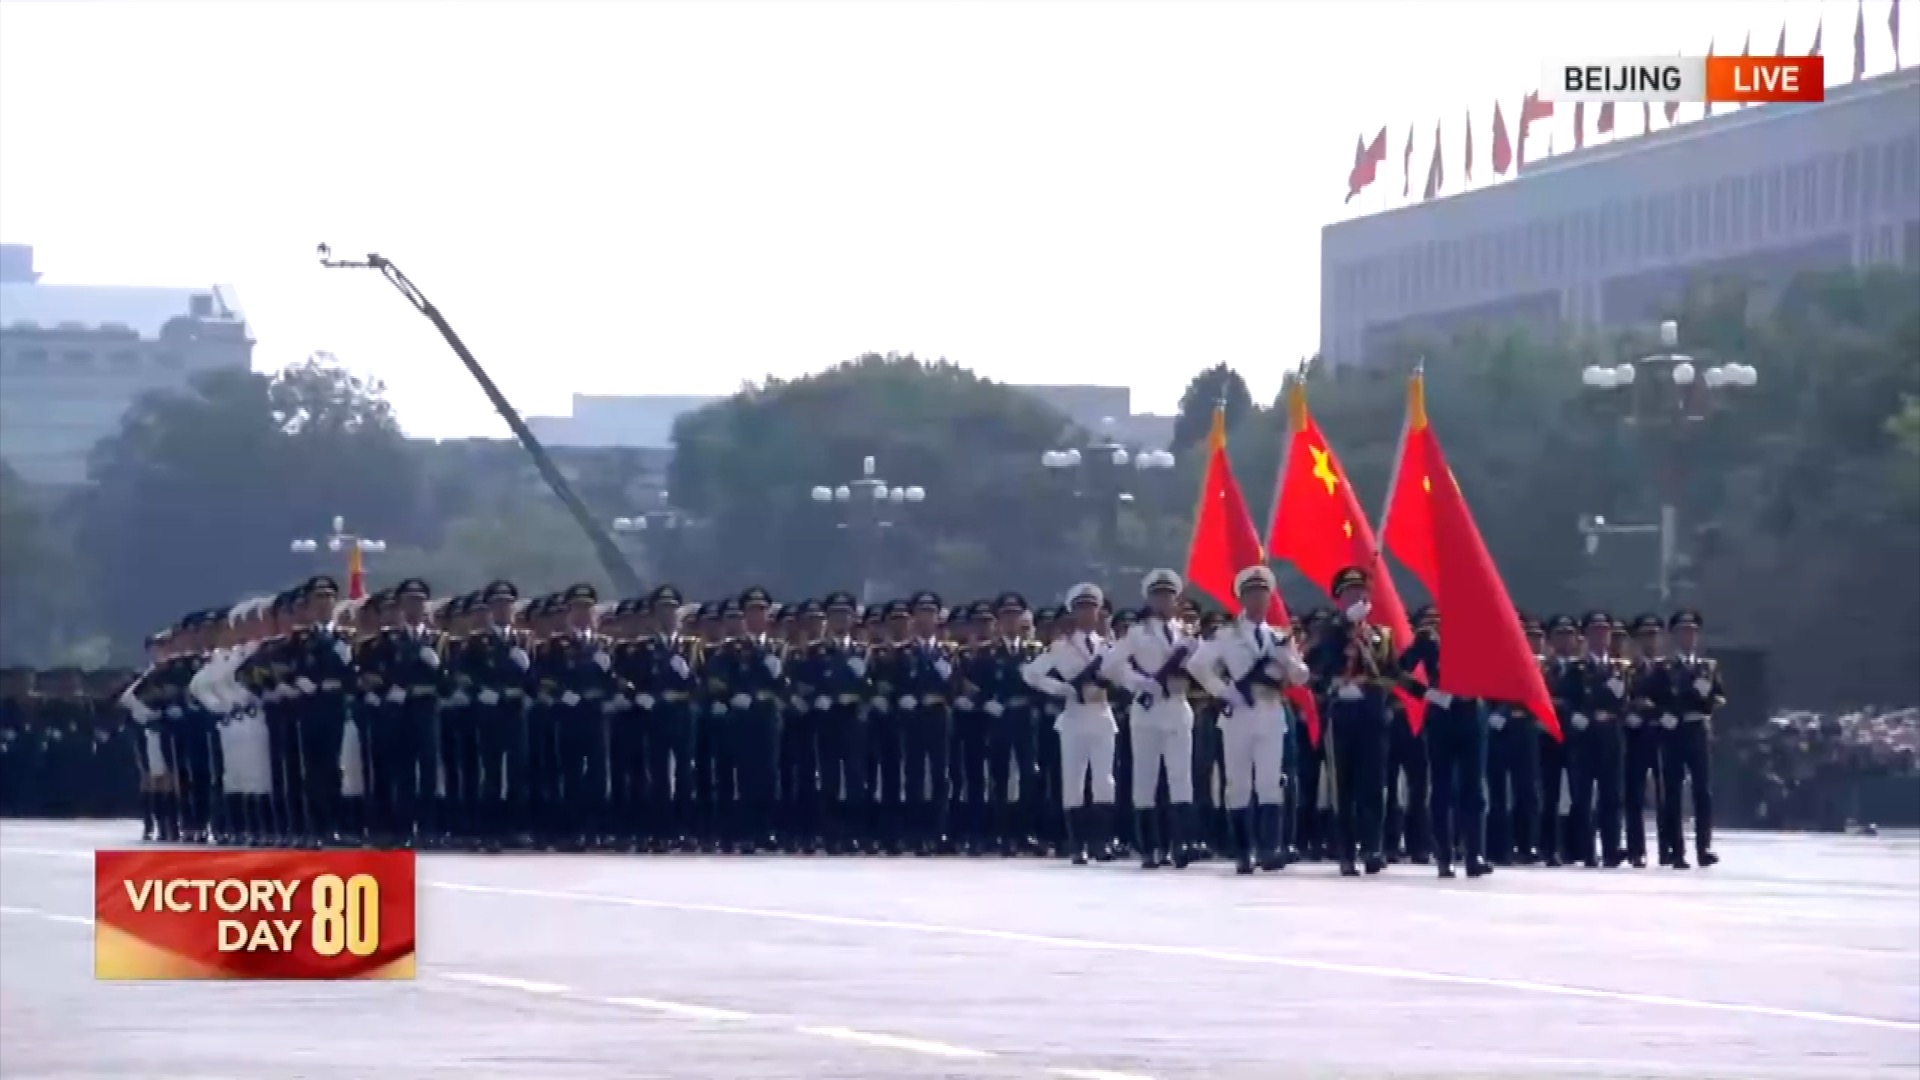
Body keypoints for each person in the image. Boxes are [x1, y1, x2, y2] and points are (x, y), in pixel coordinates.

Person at [1189, 565, 1309, 874]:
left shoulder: (1279, 637)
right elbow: (1198, 665)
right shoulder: (1227, 635)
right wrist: (1223, 691)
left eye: (1262, 594)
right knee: (1238, 783)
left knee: (1270, 782)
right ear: (1241, 598)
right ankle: (1243, 851)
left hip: (1270, 712)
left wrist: (1288, 660)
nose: (1257, 599)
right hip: (1239, 714)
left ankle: (1270, 848)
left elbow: (1301, 676)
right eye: (1251, 593)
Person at [1100, 569, 1199, 869]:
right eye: (1158, 595)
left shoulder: (1186, 634)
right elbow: (1109, 665)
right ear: (1150, 599)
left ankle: (1180, 842)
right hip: (1148, 709)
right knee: (1146, 777)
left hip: (1177, 705)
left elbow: (1203, 667)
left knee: (1181, 776)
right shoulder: (1137, 633)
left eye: (1168, 595)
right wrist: (1138, 682)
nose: (1163, 600)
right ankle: (1149, 846)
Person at [1304, 565, 1398, 876]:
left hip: (1371, 714)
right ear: (1340, 598)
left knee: (1373, 784)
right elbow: (1313, 666)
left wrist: (1381, 696)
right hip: (1341, 715)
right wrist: (1345, 625)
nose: (1356, 597)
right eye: (1350, 593)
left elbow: (1391, 674)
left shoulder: (1381, 635)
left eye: (1361, 592)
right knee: (1342, 786)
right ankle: (1345, 851)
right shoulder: (1328, 631)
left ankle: (1373, 847)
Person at [1022, 583, 1118, 864]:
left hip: (1102, 715)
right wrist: (1062, 689)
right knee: (1074, 780)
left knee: (1104, 780)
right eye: (1081, 608)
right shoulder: (1062, 647)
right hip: (1075, 716)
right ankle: (1077, 843)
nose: (1087, 613)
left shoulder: (1107, 647)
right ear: (1073, 612)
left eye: (1092, 608)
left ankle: (1101, 841)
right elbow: (1031, 674)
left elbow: (1123, 675)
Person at [1399, 606, 1492, 879]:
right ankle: (1444, 855)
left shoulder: (1479, 637)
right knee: (1441, 789)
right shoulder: (1428, 639)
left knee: (1474, 789)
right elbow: (1398, 671)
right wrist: (1427, 694)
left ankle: (1475, 853)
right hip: (1442, 717)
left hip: (1472, 716)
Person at [1654, 608, 1722, 868]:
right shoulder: (1664, 667)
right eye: (1684, 632)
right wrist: (1661, 715)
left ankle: (1704, 847)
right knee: (1672, 791)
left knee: (1702, 791)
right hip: (1674, 732)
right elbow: (1647, 697)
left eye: (1693, 632)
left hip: (1698, 730)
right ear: (1675, 636)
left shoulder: (1707, 667)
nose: (1689, 637)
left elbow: (1720, 696)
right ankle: (1676, 849)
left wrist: (1709, 701)